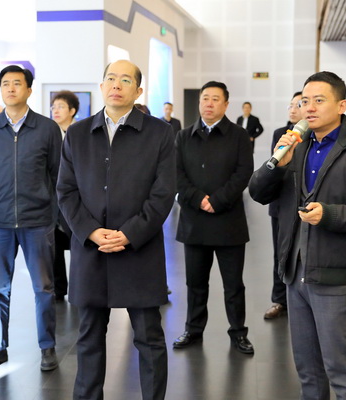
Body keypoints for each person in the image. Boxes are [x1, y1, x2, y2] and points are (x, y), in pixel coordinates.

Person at [249, 71, 346, 400]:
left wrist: (330, 214)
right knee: (307, 370)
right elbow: (257, 193)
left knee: (340, 369)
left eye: (319, 100)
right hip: (294, 272)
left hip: (334, 274)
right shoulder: (296, 146)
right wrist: (276, 163)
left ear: (342, 105)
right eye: (304, 101)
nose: (309, 107)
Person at [57, 60, 175, 400]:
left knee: (149, 337)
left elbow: (164, 192)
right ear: (101, 86)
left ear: (138, 91)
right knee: (89, 337)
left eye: (125, 80)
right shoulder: (78, 134)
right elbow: (66, 191)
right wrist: (91, 231)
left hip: (139, 249)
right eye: (110, 78)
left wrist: (130, 233)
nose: (116, 85)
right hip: (91, 250)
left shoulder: (159, 133)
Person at [0, 65, 62, 372]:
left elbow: (57, 174)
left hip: (37, 221)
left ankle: (47, 347)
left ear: (28, 90)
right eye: (5, 84)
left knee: (44, 288)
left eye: (17, 83)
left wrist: (49, 210)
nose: (10, 88)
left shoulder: (47, 129)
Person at [172, 81, 255, 354]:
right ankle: (193, 330)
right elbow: (176, 174)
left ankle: (238, 332)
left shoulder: (239, 136)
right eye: (205, 98)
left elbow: (243, 173)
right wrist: (198, 199)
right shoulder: (183, 136)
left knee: (234, 285)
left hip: (228, 221)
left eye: (215, 99)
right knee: (195, 283)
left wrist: (217, 201)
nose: (209, 103)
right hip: (194, 222)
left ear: (226, 104)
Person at [263, 91, 302, 320]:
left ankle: (300, 299)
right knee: (280, 253)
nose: (293, 109)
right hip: (281, 204)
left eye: (298, 104)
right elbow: (275, 167)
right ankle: (279, 300)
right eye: (291, 105)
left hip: (306, 206)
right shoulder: (281, 134)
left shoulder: (314, 136)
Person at [50, 90, 80, 301]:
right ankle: (58, 288)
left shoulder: (81, 133)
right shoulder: (50, 134)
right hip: (53, 200)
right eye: (53, 107)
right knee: (54, 247)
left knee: (78, 246)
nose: (56, 111)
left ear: (72, 110)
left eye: (61, 107)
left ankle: (80, 288)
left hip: (77, 199)